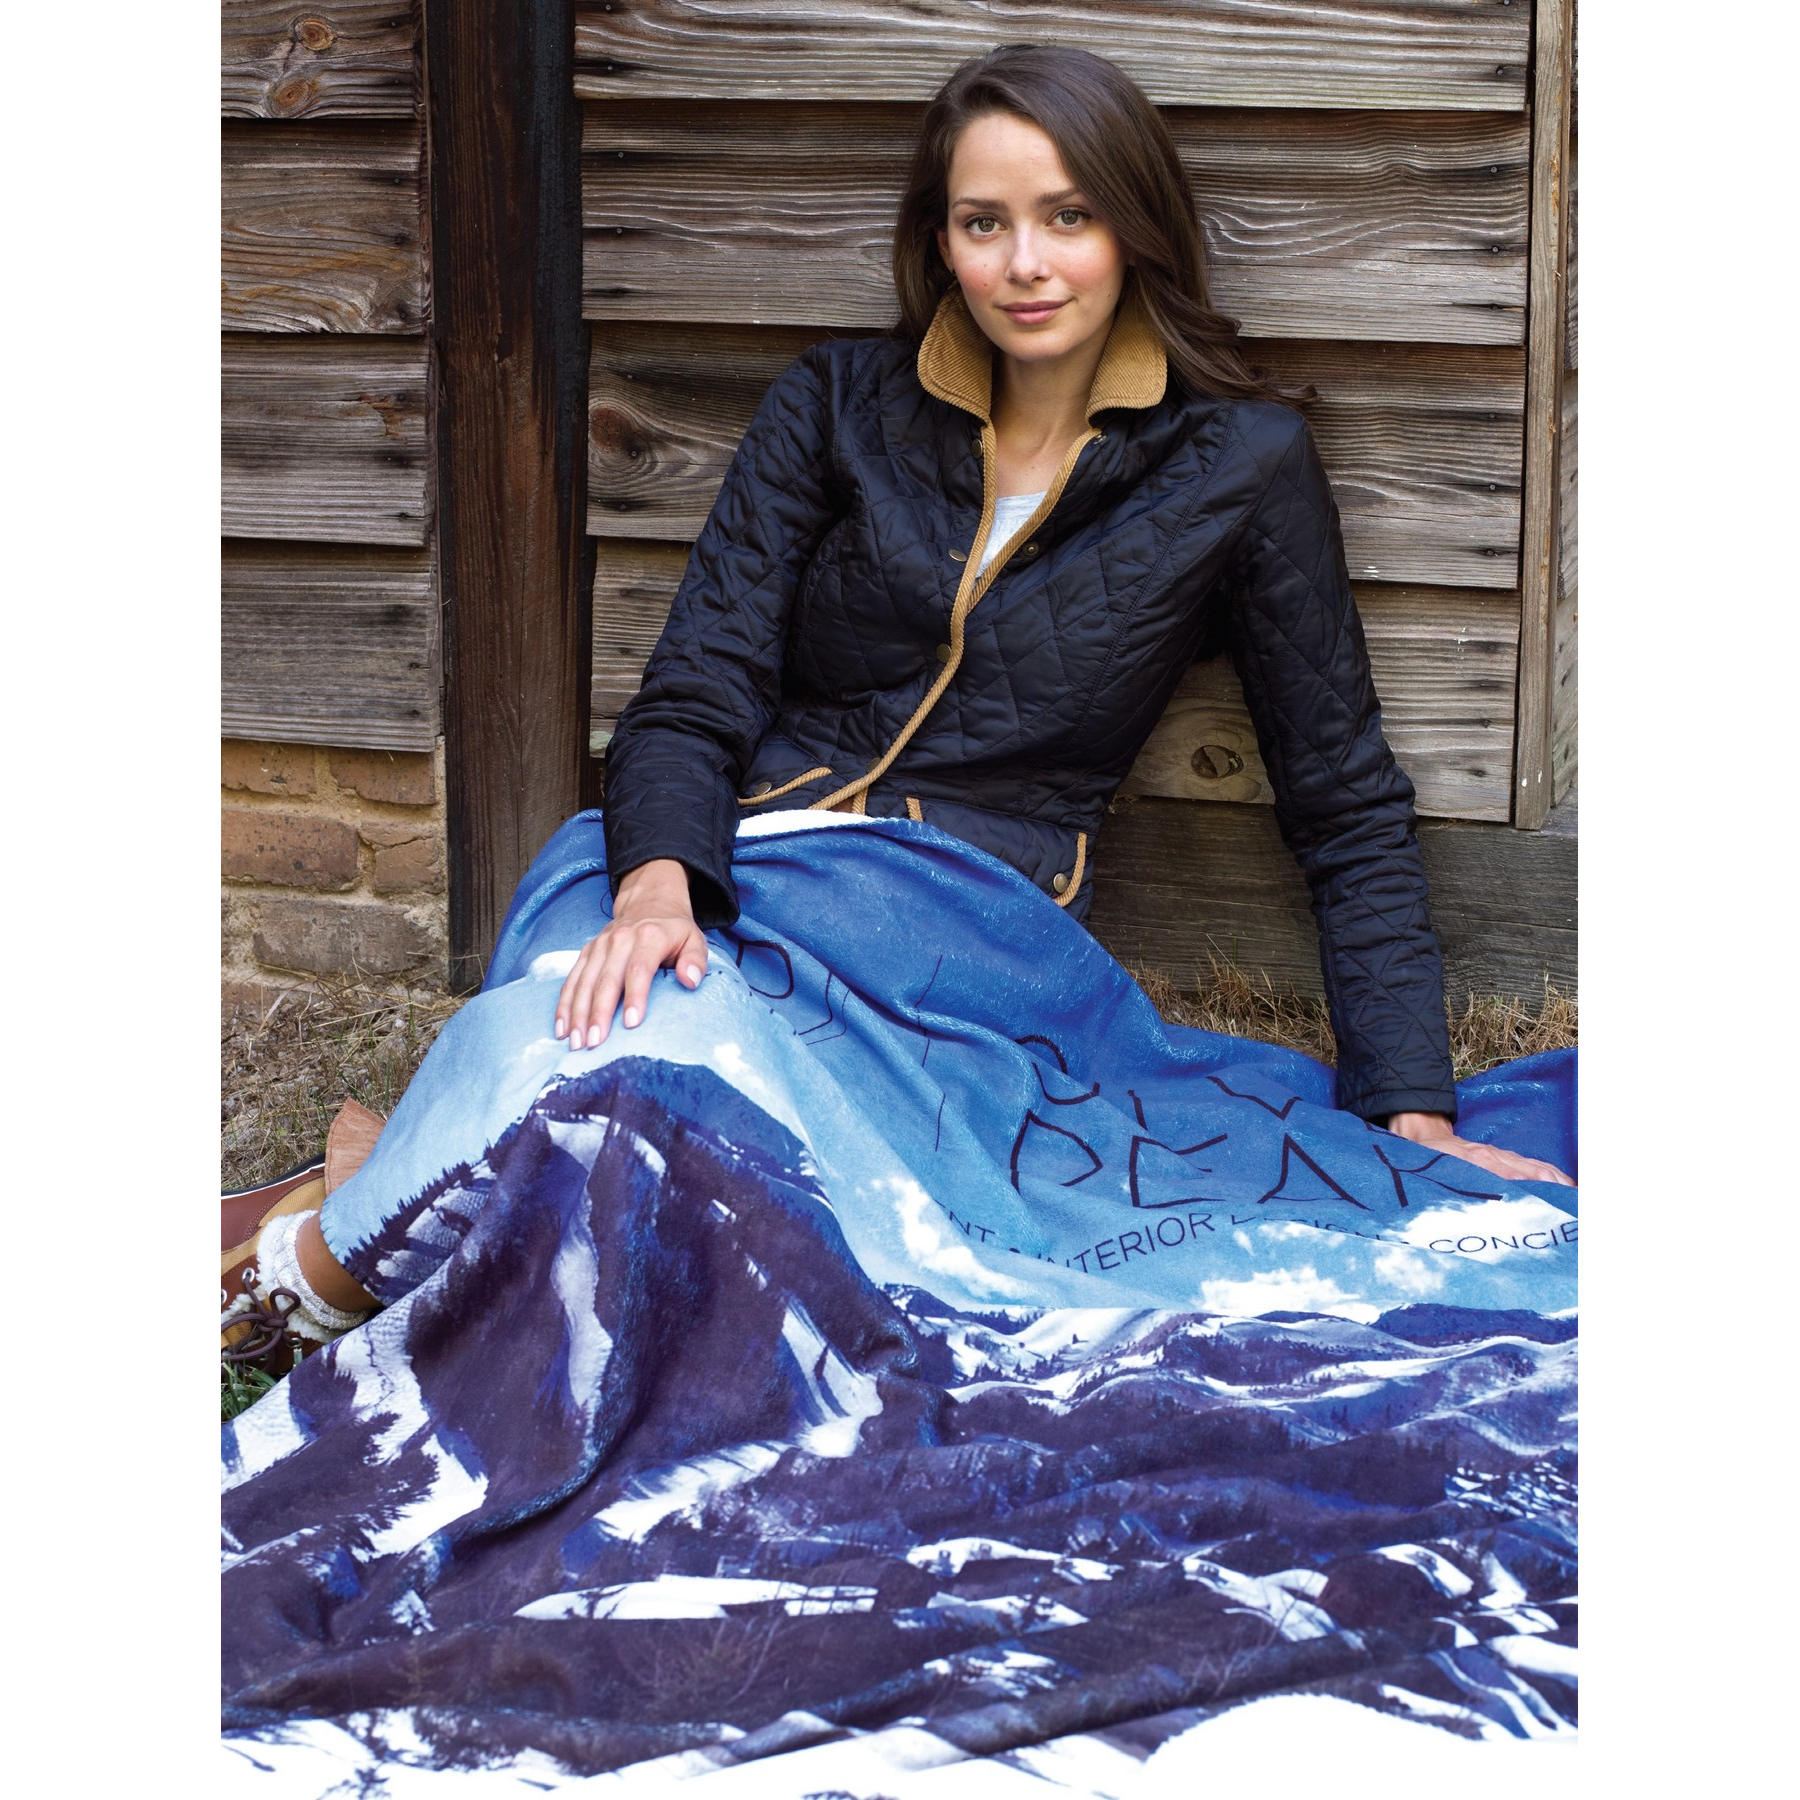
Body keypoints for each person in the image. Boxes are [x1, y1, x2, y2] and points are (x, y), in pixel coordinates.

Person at [222, 42, 1569, 1368]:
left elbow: (1343, 800)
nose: (1026, 263)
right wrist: (656, 880)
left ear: (1137, 229)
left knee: (655, 1062)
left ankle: (316, 1267)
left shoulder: (1239, 465)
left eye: (1069, 217)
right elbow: (694, 688)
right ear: (942, 240)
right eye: (985, 223)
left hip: (946, 920)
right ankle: (389, 1210)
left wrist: (1411, 1108)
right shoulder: (834, 404)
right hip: (727, 857)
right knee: (606, 1006)